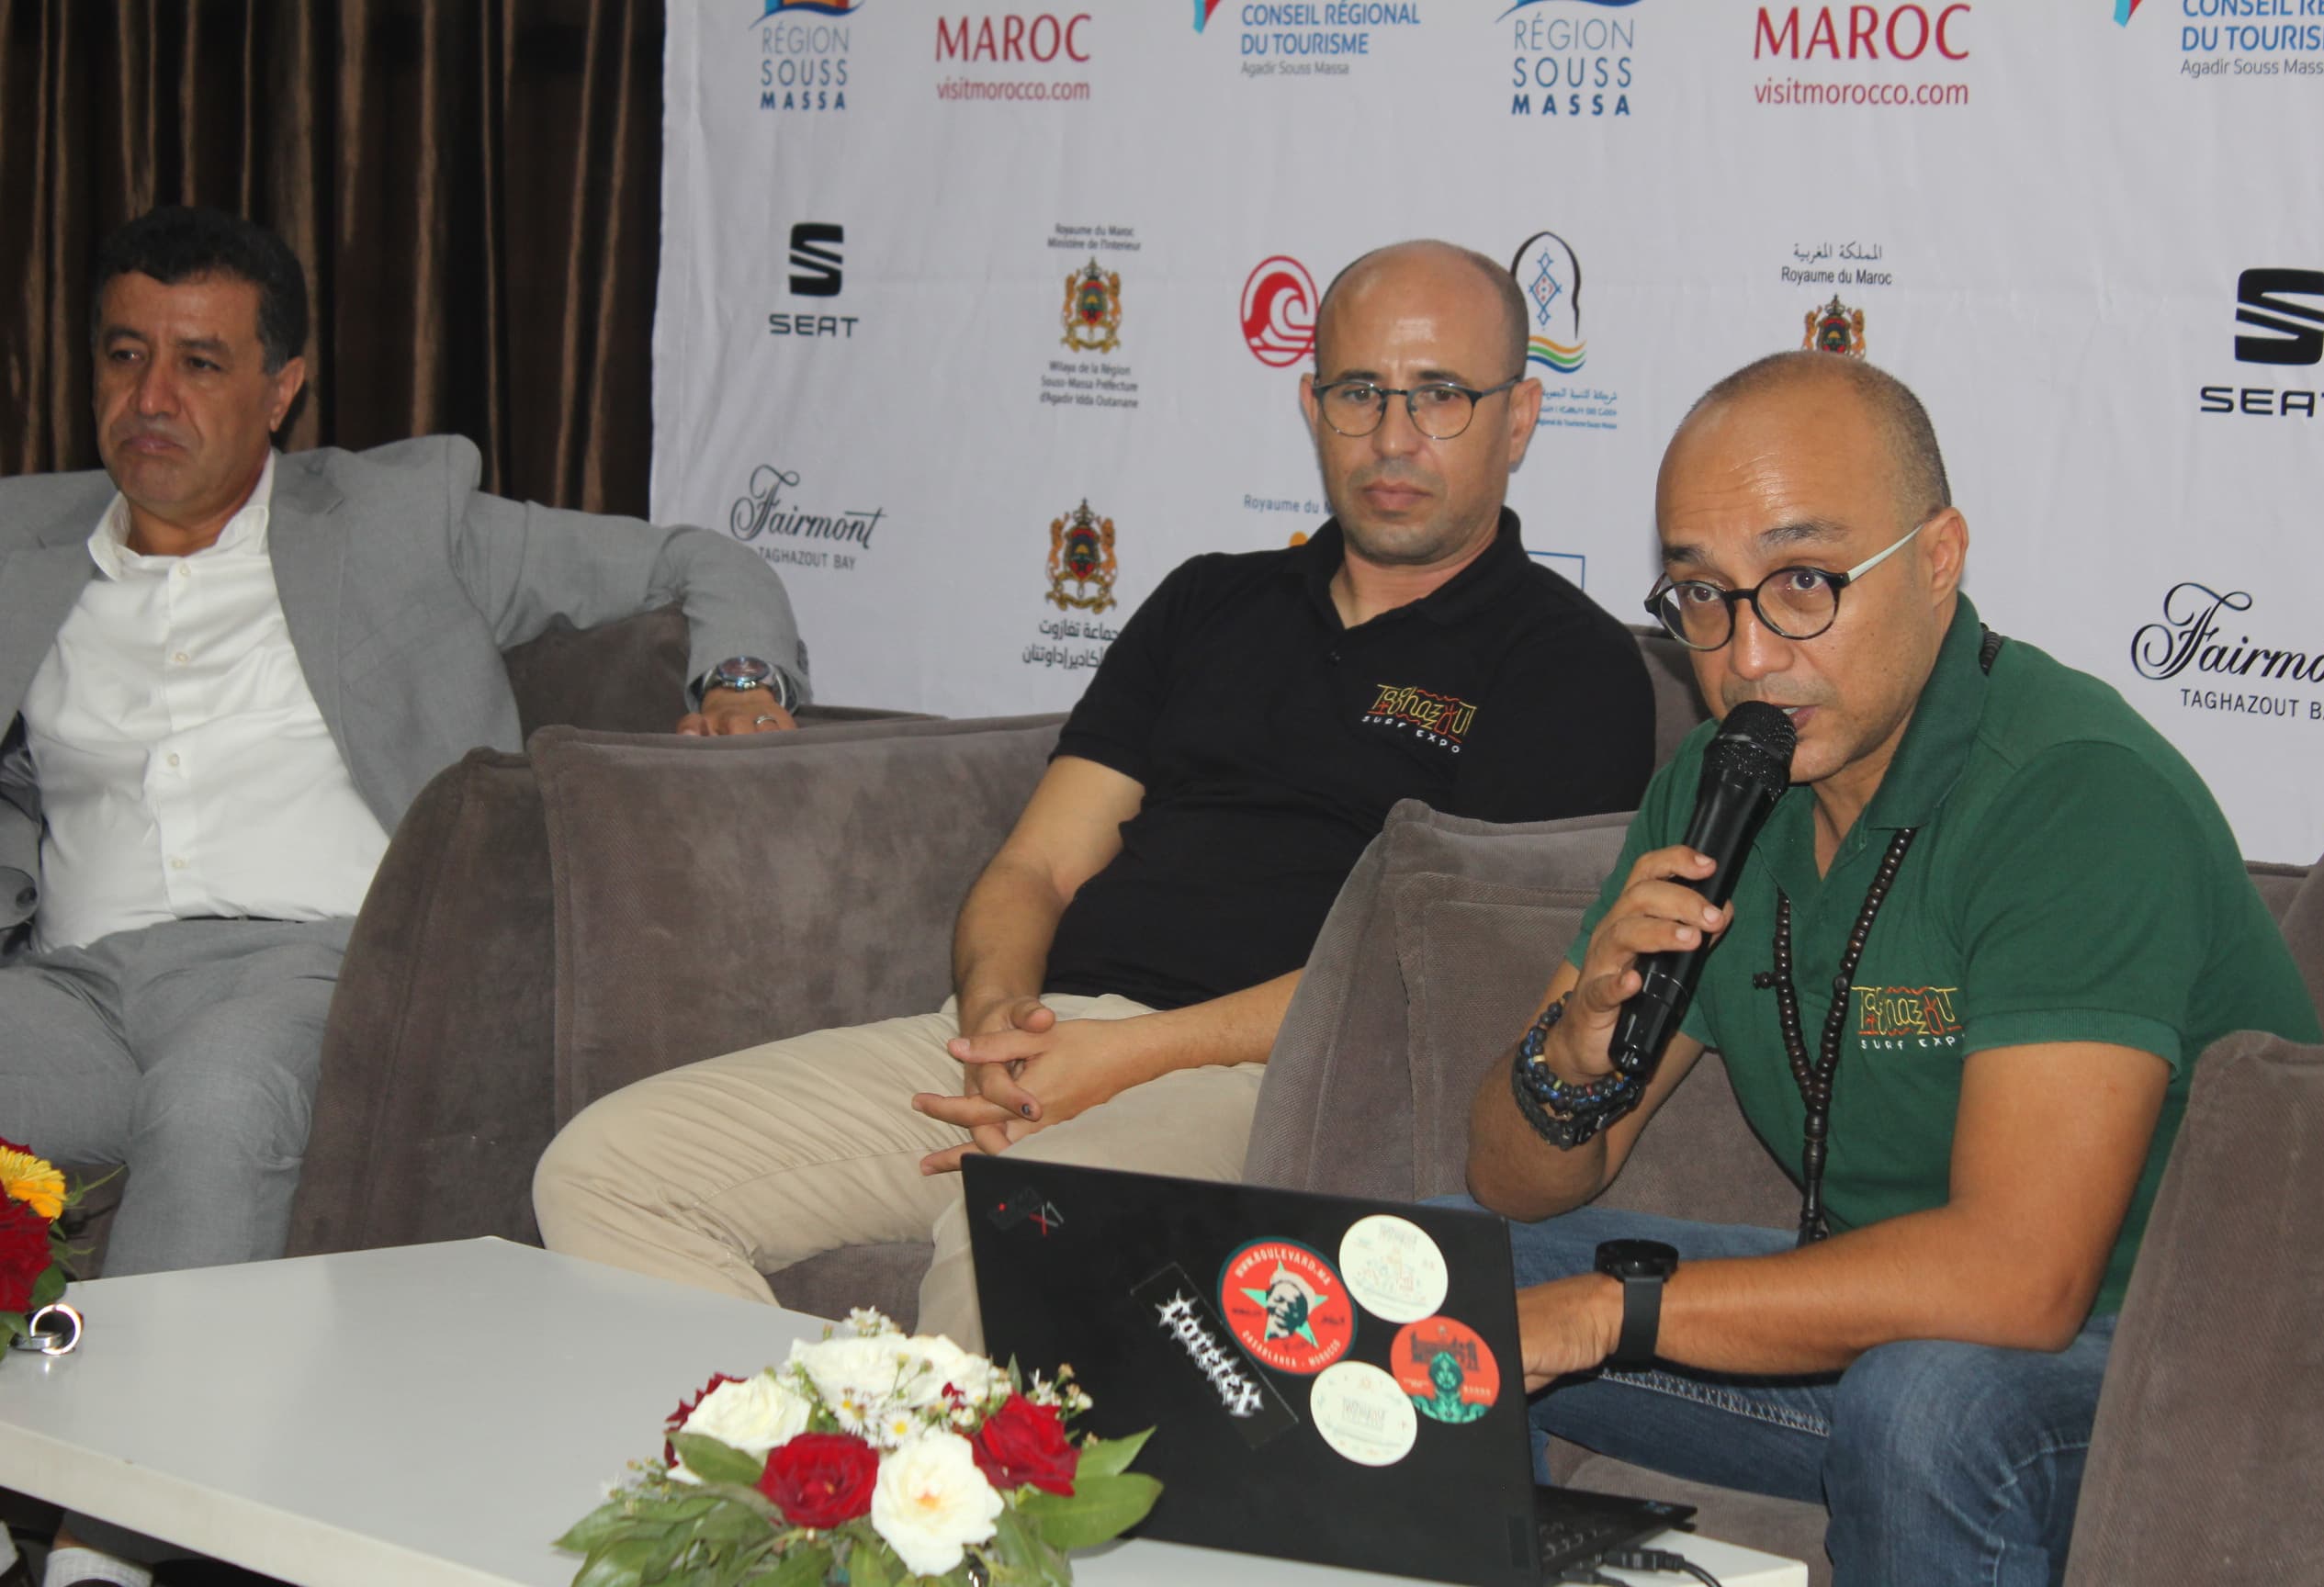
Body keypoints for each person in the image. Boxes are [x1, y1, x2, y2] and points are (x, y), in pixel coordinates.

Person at [533, 238, 1658, 1345]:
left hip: (1281, 1083)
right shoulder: (1210, 603)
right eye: (1360, 392)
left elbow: (1443, 979)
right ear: (1313, 407)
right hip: (1048, 1036)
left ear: (1520, 417)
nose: (1394, 436)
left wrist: (1127, 1059)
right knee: (609, 1169)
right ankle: (837, 1445)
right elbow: (1037, 866)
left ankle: (905, 1449)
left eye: (1441, 396)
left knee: (1018, 1229)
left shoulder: (1569, 664)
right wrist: (998, 1026)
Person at [1462, 350, 2320, 1586]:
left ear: (1937, 558)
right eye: (1702, 596)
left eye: (1803, 583)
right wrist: (1572, 1052)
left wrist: (1614, 1314)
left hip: (2175, 1364)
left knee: (1927, 1402)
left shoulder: (2075, 793)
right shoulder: (1720, 782)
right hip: (1899, 1341)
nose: (1749, 657)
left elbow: (2023, 1281)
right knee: (1445, 1271)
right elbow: (1513, 1182)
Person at [0, 205, 809, 1284]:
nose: (151, 398)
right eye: (124, 355)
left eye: (199, 363)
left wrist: (744, 684)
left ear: (280, 389)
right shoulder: (19, 540)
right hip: (75, 989)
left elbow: (699, 559)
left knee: (216, 1105)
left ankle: (157, 1401)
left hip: (311, 968)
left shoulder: (400, 520)